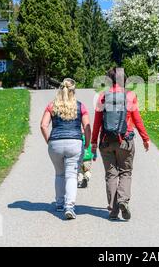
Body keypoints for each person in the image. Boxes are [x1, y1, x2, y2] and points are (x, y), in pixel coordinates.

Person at [91, 68, 150, 221]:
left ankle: (112, 209)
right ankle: (122, 201)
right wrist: (145, 138)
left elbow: (97, 122)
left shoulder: (103, 97)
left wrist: (93, 142)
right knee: (125, 172)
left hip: (106, 141)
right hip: (126, 140)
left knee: (111, 174)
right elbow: (137, 120)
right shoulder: (130, 96)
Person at [40, 78, 91, 220]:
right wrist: (86, 144)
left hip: (55, 143)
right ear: (74, 91)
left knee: (59, 174)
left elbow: (43, 125)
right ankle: (69, 206)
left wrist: (49, 141)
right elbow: (87, 127)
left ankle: (59, 203)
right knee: (71, 175)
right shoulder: (80, 106)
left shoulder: (52, 105)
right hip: (74, 143)